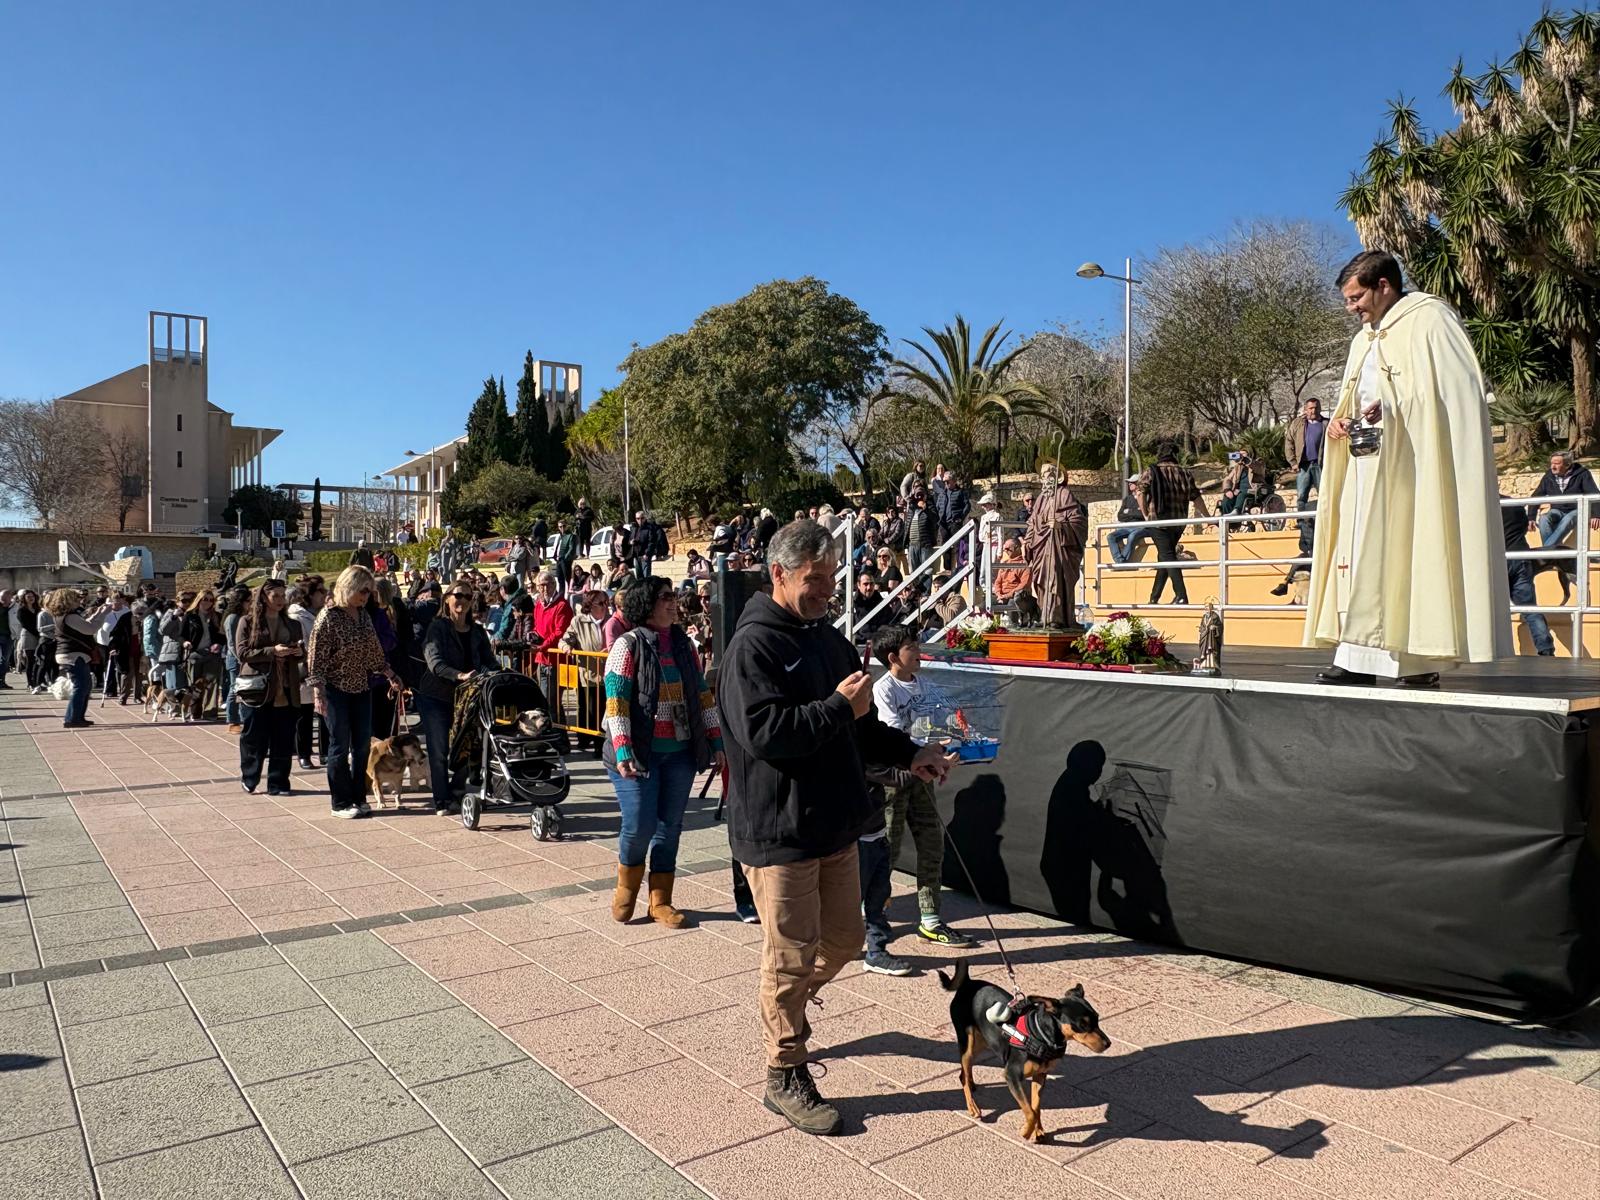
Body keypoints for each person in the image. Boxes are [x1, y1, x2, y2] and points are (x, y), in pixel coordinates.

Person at [718, 519, 953, 1136]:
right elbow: (765, 733)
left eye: (830, 579)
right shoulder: (752, 647)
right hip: (780, 830)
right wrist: (833, 709)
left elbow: (860, 723)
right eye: (813, 580)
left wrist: (910, 754)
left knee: (846, 940)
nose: (826, 591)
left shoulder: (828, 638)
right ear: (778, 575)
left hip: (835, 822)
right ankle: (784, 1069)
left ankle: (783, 1002)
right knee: (791, 956)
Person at [1306, 250, 1512, 686]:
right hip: (1365, 469)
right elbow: (1354, 397)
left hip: (1413, 467)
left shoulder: (1430, 318)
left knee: (1409, 556)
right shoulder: (1362, 339)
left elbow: (1458, 395)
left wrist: (1397, 407)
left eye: (1356, 297)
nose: (1351, 308)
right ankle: (1357, 655)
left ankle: (1416, 662)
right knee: (1361, 557)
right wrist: (1340, 420)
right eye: (1347, 300)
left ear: (1384, 285)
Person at [602, 577, 724, 929]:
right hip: (636, 754)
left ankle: (661, 901)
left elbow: (703, 696)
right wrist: (623, 749)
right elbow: (616, 702)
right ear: (646, 604)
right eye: (665, 597)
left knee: (670, 828)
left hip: (680, 753)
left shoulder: (684, 645)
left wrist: (716, 742)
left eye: (673, 597)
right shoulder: (628, 646)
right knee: (639, 825)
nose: (673, 603)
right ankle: (626, 887)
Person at [871, 624, 977, 950]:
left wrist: (955, 738)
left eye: (916, 644)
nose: (918, 651)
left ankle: (930, 920)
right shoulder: (884, 689)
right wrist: (927, 749)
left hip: (923, 777)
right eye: (910, 647)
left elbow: (943, 720)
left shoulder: (925, 685)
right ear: (893, 657)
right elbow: (892, 735)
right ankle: (872, 918)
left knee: (932, 845)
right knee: (886, 850)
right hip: (894, 779)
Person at [308, 565, 401, 818]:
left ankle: (359, 797)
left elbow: (374, 652)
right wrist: (318, 693)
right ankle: (340, 802)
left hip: (362, 687)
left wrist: (390, 674)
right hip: (335, 689)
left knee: (361, 745)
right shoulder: (328, 617)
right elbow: (315, 659)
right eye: (362, 590)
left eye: (369, 592)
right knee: (339, 746)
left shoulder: (363, 616)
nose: (366, 596)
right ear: (348, 586)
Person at [419, 583, 497, 815]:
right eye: (458, 595)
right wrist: (459, 675)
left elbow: (489, 660)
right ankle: (442, 800)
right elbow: (435, 663)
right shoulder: (437, 627)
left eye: (467, 596)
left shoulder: (477, 631)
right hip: (435, 695)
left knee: (468, 745)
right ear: (447, 599)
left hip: (468, 697)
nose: (462, 600)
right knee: (439, 749)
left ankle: (456, 790)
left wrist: (498, 673)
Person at [234, 579, 304, 795]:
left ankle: (279, 782)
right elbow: (242, 653)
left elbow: (301, 653)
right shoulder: (248, 622)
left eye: (284, 596)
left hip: (286, 688)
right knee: (254, 737)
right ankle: (250, 777)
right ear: (264, 597)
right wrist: (272, 651)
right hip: (257, 689)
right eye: (277, 596)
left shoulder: (293, 624)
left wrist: (299, 653)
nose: (281, 600)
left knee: (283, 739)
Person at [1138, 442, 1210, 605]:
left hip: (1158, 521)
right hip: (1179, 522)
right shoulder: (1185, 473)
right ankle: (1154, 597)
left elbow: (1140, 493)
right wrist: (1208, 517)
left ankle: (1181, 595)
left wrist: (1145, 515)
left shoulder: (1151, 471)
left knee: (1168, 555)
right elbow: (1196, 497)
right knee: (1165, 555)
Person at [1022, 464, 1087, 627]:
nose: (1045, 478)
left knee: (1055, 579)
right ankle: (1044, 614)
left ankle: (1056, 618)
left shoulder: (1065, 495)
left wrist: (1061, 525)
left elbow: (1078, 521)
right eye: (1043, 475)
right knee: (1041, 580)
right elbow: (1032, 523)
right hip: (1041, 547)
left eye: (1049, 474)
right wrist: (1027, 542)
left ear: (1056, 477)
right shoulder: (1040, 500)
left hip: (1058, 546)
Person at [1526, 451, 1600, 581]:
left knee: (1568, 519)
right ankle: (1552, 553)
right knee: (1544, 518)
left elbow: (1594, 494)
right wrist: (1531, 517)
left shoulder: (1582, 474)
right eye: (1552, 463)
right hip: (1557, 510)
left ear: (1567, 464)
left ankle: (1544, 554)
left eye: (1557, 463)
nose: (1553, 466)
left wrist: (1596, 515)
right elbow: (1536, 496)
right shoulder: (1549, 476)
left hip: (1578, 510)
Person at [1502, 493, 1556, 657]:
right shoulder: (1515, 504)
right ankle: (1546, 650)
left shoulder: (1487, 504)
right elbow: (1525, 526)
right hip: (1522, 556)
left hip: (1499, 559)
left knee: (1488, 608)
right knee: (1530, 608)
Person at [559, 589, 610, 756]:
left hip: (609, 674)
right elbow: (565, 639)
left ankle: (602, 746)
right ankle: (595, 745)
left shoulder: (611, 620)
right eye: (601, 603)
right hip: (588, 675)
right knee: (592, 712)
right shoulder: (578, 621)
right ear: (590, 605)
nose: (605, 606)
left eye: (606, 602)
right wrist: (567, 648)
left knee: (605, 711)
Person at [44, 588, 98, 729]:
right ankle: (72, 718)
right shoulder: (69, 616)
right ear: (68, 600)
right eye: (75, 598)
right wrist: (103, 614)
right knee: (81, 686)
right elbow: (90, 629)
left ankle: (78, 717)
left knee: (85, 686)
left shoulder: (63, 615)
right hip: (73, 655)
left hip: (70, 654)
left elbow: (84, 625)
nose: (78, 601)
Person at [288, 579, 327, 769]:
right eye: (320, 590)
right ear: (310, 595)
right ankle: (304, 754)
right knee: (305, 714)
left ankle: (325, 753)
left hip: (326, 669)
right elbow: (300, 643)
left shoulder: (324, 613)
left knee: (325, 713)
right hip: (304, 671)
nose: (324, 593)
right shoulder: (298, 616)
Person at [528, 570, 573, 706]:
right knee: (546, 700)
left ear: (554, 585)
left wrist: (543, 646)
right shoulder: (538, 606)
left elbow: (559, 632)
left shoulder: (562, 605)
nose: (545, 588)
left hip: (556, 659)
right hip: (542, 659)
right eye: (541, 585)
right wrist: (532, 635)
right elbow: (537, 627)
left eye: (548, 585)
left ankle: (556, 727)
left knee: (552, 702)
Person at [181, 591, 227, 720]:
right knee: (194, 685)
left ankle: (210, 712)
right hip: (195, 654)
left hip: (212, 654)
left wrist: (219, 643)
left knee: (212, 683)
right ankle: (195, 712)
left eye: (211, 600)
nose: (208, 602)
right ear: (199, 599)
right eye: (205, 599)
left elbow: (223, 635)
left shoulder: (217, 616)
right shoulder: (190, 616)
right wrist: (185, 642)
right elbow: (181, 634)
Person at [1285, 397, 1328, 510]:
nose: (1313, 410)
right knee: (1301, 496)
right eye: (1310, 408)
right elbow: (1289, 442)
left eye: (1316, 408)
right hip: (1303, 466)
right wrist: (1293, 462)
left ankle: (1322, 522)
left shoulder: (1326, 424)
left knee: (1324, 495)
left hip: (1320, 465)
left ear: (1320, 408)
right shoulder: (1297, 424)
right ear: (1305, 409)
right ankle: (1302, 522)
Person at [221, 584, 252, 733]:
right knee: (235, 688)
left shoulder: (246, 617)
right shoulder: (232, 618)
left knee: (244, 688)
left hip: (245, 657)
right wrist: (240, 657)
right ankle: (232, 720)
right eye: (248, 601)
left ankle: (243, 717)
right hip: (235, 659)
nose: (250, 604)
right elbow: (232, 643)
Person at [991, 536, 1038, 624]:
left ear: (1017, 548)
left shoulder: (1024, 565)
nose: (1005, 551)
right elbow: (997, 582)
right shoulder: (1004, 564)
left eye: (1008, 549)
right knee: (984, 605)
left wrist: (1006, 596)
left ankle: (1014, 628)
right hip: (1001, 595)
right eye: (1004, 549)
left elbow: (1023, 585)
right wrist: (999, 595)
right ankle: (991, 629)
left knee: (1012, 604)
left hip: (1016, 597)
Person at [1107, 479, 1147, 565]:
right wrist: (1135, 511)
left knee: (1132, 536)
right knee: (1111, 537)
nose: (1130, 484)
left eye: (1132, 482)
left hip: (1141, 527)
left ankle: (1121, 563)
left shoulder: (1145, 496)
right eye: (1129, 483)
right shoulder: (1127, 499)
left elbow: (1144, 514)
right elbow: (1120, 516)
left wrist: (1128, 511)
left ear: (1138, 483)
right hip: (1127, 526)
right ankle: (1120, 561)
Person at [553, 519, 578, 590]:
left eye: (564, 526)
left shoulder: (570, 536)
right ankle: (561, 594)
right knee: (560, 579)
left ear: (566, 526)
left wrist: (565, 557)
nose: (562, 528)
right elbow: (557, 547)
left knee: (567, 578)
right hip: (558, 560)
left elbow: (571, 548)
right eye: (560, 527)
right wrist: (555, 556)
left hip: (565, 560)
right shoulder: (559, 536)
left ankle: (571, 591)